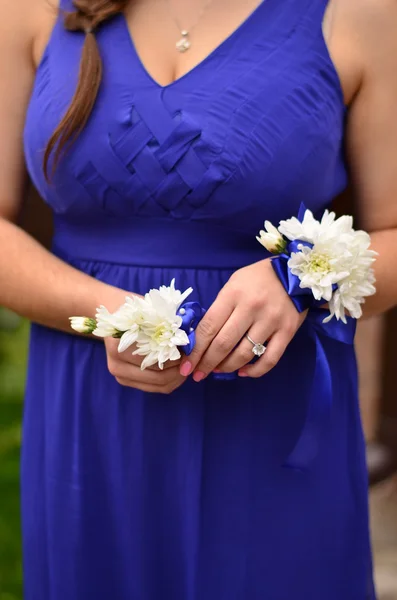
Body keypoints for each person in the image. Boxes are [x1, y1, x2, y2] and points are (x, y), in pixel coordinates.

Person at [1, 0, 397, 597]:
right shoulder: (27, 9)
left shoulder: (361, 12)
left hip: (272, 418)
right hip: (92, 416)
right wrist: (117, 315)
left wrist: (301, 280)